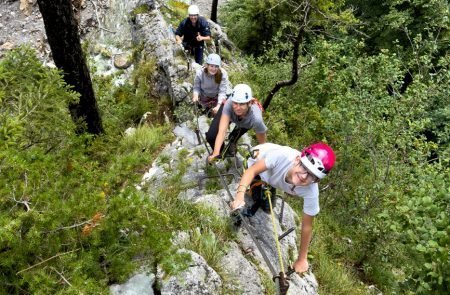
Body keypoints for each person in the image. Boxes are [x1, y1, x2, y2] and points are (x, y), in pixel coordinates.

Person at [230, 142, 336, 274]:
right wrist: (239, 196)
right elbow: (252, 171)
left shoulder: (311, 191)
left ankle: (266, 187)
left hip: (271, 175)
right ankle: (259, 186)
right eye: (304, 168)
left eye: (311, 175)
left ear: (317, 180)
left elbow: (307, 225)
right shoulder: (282, 156)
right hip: (256, 161)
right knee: (256, 196)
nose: (304, 176)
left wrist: (302, 258)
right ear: (298, 159)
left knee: (267, 207)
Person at [206, 84, 267, 160]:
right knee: (211, 136)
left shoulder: (256, 119)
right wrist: (216, 153)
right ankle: (220, 151)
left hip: (246, 120)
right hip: (230, 112)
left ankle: (233, 141)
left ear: (249, 103)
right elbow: (222, 131)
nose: (238, 108)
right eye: (235, 103)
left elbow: (263, 144)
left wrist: (263, 157)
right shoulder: (229, 104)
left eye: (242, 104)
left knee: (234, 136)